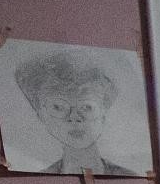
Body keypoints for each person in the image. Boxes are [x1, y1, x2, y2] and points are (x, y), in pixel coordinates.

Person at [13, 49, 141, 176]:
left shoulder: (128, 177)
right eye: (59, 107)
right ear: (41, 115)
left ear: (103, 112)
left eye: (86, 107)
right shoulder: (39, 181)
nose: (74, 118)